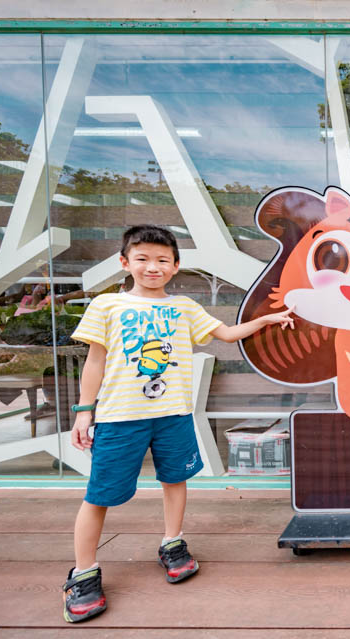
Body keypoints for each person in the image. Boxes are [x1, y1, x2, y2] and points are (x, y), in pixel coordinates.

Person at [62, 225, 295, 623]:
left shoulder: (184, 307)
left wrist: (265, 320)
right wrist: (85, 411)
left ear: (175, 267)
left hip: (173, 415)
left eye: (162, 260)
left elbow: (224, 333)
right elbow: (95, 362)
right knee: (100, 494)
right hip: (120, 418)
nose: (152, 267)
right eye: (143, 259)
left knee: (176, 480)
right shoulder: (106, 306)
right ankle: (83, 572)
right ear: (125, 262)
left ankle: (172, 543)